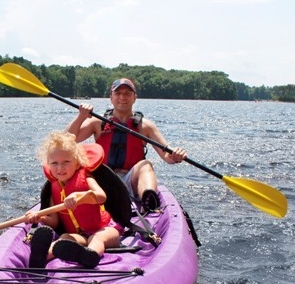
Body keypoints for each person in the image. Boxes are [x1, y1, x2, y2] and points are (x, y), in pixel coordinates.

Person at [66, 78, 187, 211]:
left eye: (127, 94)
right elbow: (66, 141)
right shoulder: (97, 122)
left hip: (131, 180)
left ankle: (148, 201)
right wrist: (81, 117)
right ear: (111, 97)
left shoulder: (146, 126)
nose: (122, 97)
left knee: (146, 165)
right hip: (103, 180)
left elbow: (167, 156)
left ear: (135, 97)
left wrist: (176, 155)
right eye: (118, 93)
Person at [24, 131, 121, 270]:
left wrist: (79, 196)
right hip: (79, 236)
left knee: (96, 238)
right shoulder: (54, 189)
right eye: (54, 163)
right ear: (49, 165)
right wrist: (39, 217)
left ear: (77, 163)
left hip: (105, 230)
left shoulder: (87, 178)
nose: (60, 168)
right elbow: (54, 221)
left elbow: (101, 196)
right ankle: (41, 256)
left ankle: (91, 256)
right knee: (64, 238)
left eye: (66, 162)